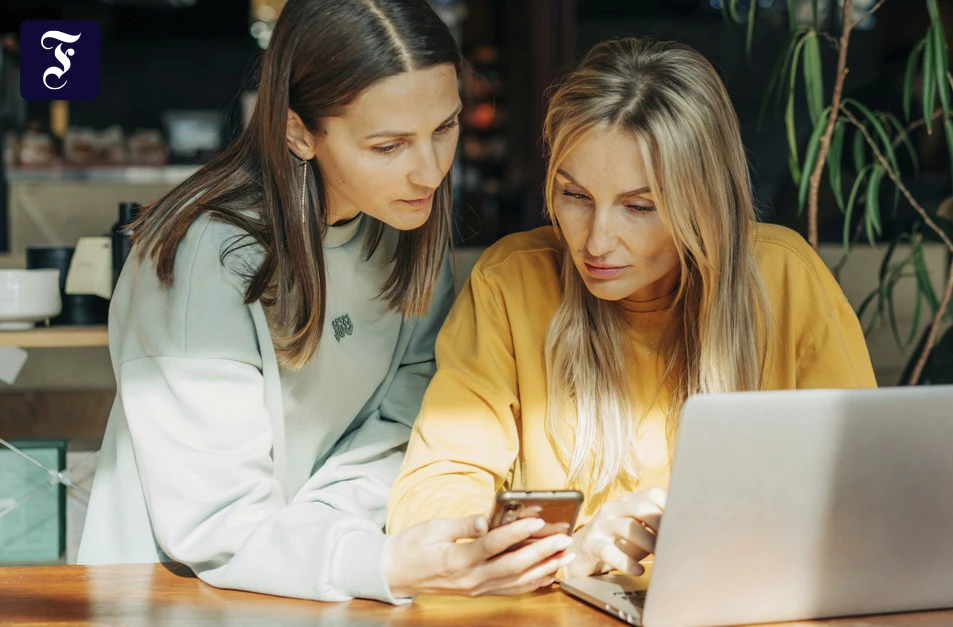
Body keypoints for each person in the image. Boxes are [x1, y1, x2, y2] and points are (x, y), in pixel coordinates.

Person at [78, 0, 569, 603]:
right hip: (175, 600)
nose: (430, 172)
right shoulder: (202, 258)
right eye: (388, 146)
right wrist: (375, 560)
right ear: (297, 132)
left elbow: (402, 424)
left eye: (444, 128)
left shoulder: (404, 228)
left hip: (324, 586)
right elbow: (215, 523)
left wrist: (335, 543)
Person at [387, 37, 876, 580]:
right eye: (575, 197)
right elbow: (431, 498)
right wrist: (567, 556)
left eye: (638, 207)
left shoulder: (785, 278)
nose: (596, 242)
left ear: (705, 204)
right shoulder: (512, 284)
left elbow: (864, 486)